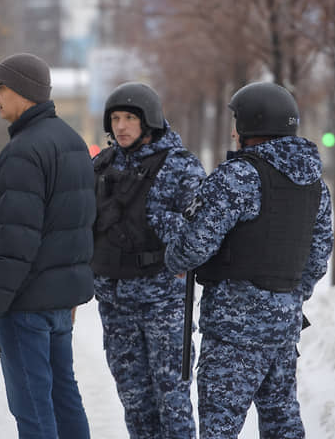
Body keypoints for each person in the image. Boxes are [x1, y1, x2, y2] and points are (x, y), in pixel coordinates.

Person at [164, 82, 334, 439]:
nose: (232, 131)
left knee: (220, 429)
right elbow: (318, 256)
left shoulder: (238, 177)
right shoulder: (315, 183)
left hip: (232, 333)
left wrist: (172, 247)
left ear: (251, 126)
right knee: (283, 423)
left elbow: (192, 247)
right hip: (284, 329)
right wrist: (286, 298)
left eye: (236, 122)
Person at [0, 53, 95, 438]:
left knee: (34, 410)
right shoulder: (71, 142)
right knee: (65, 402)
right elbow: (70, 218)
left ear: (21, 91)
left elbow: (17, 243)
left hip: (25, 306)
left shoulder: (24, 150)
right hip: (57, 305)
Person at [91, 82, 204, 439]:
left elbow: (200, 231)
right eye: (115, 119)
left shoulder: (180, 167)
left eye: (129, 119)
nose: (120, 126)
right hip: (115, 304)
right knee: (135, 403)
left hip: (164, 303)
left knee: (172, 403)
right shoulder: (102, 165)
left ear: (149, 121)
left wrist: (162, 225)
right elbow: (64, 204)